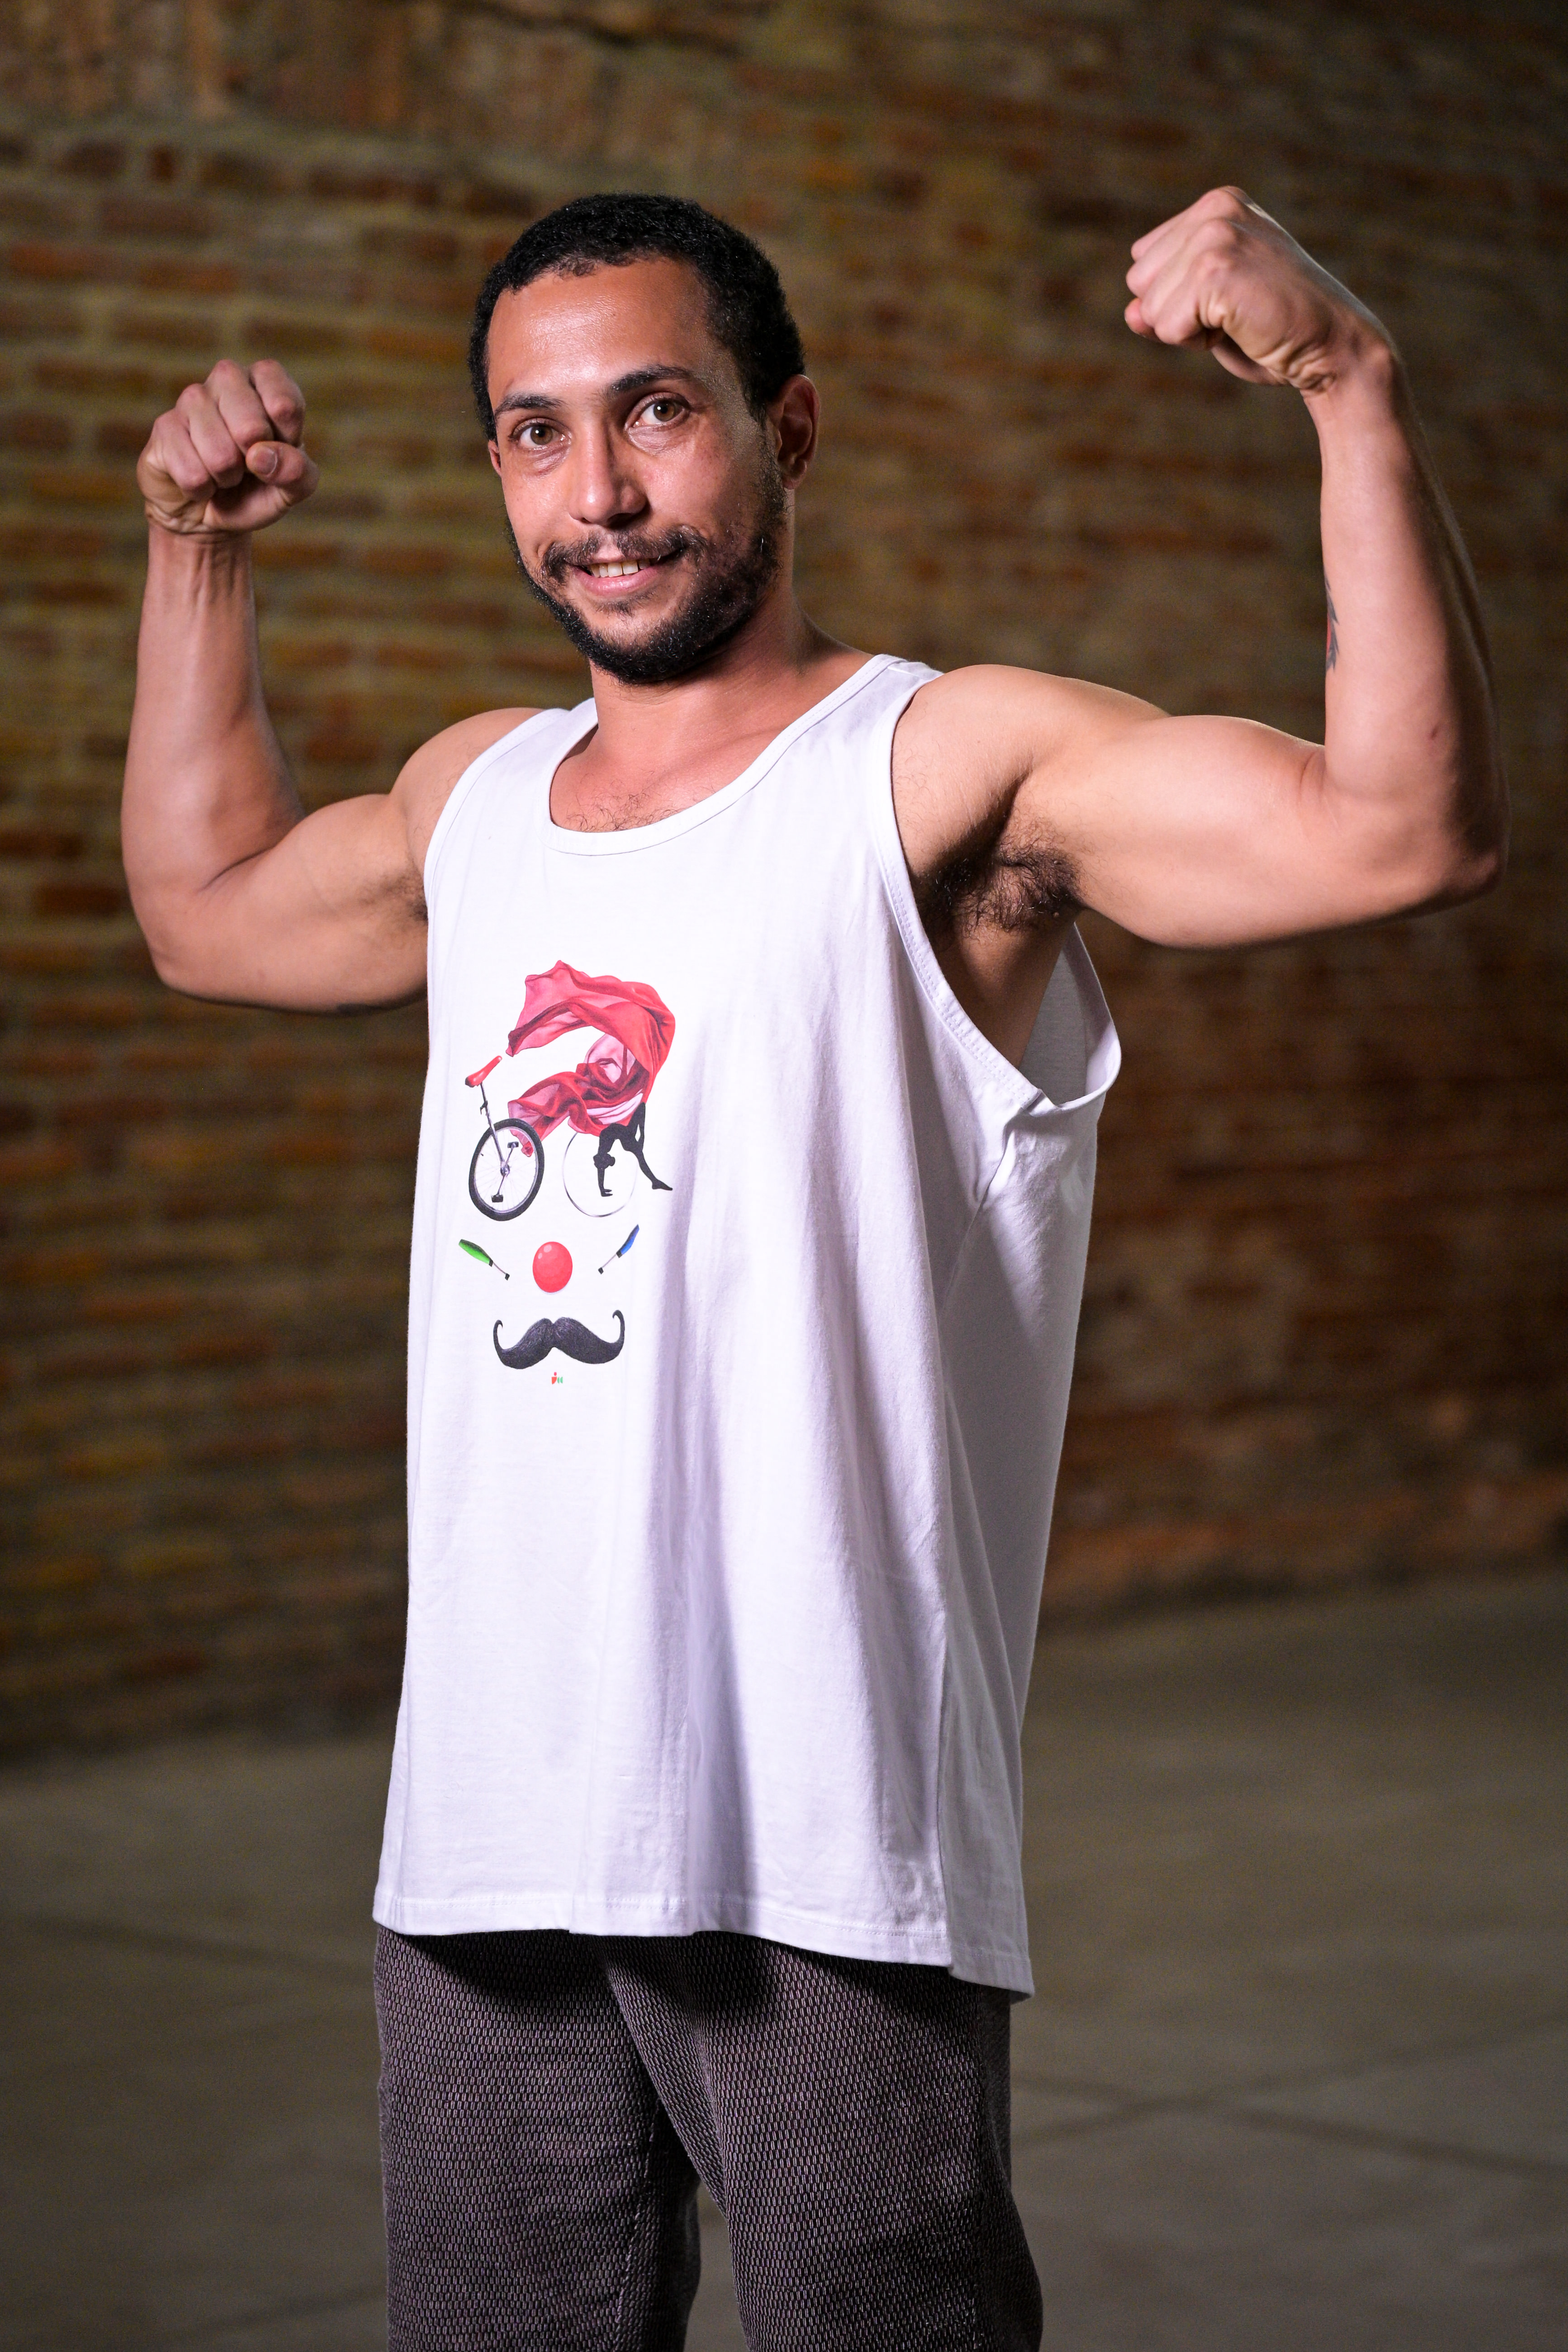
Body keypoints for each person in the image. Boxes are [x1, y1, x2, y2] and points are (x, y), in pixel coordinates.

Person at [122, 189, 1504, 2350]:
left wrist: (1348, 380)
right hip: (485, 1821)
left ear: (786, 427)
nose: (598, 492)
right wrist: (196, 558)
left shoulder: (946, 769)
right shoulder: (478, 799)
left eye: (657, 412)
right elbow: (208, 909)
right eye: (536, 433)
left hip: (823, 1842)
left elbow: (1405, 823)